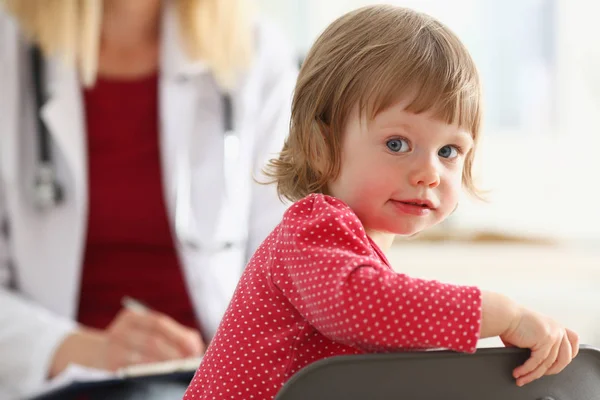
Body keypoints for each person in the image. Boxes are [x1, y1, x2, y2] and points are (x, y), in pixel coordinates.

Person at [182, 5, 580, 399]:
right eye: (397, 144)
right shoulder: (313, 228)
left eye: (448, 151)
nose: (429, 172)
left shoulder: (358, 253)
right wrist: (501, 314)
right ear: (322, 146)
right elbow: (359, 305)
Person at [0, 0, 297, 398]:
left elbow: (289, 270)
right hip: (56, 380)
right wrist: (90, 351)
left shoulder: (257, 53)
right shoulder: (10, 48)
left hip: (217, 380)